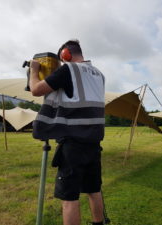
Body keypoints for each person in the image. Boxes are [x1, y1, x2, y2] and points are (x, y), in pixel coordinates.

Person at [29, 39, 106, 225]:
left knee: (69, 198)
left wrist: (33, 71)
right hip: (94, 143)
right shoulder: (99, 75)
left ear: (65, 55)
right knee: (94, 190)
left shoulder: (68, 70)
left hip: (73, 144)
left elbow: (36, 90)